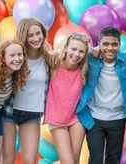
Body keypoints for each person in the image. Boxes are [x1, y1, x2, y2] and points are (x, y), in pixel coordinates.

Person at [76, 26, 126, 164]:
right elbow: (71, 50)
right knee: (96, 159)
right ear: (99, 44)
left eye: (114, 44)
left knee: (113, 159)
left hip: (118, 118)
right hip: (94, 118)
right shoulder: (91, 58)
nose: (110, 48)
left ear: (120, 45)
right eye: (106, 44)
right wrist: (91, 50)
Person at [1, 18, 53, 164]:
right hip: (9, 112)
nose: (36, 38)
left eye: (38, 33)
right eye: (30, 35)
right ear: (24, 36)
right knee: (7, 159)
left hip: (32, 114)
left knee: (30, 161)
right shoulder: (17, 56)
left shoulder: (48, 58)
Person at [44, 32, 90, 164]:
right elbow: (38, 53)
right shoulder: (54, 64)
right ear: (66, 48)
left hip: (76, 118)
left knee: (75, 160)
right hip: (57, 119)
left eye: (81, 51)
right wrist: (54, 52)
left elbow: (97, 51)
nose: (76, 54)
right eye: (73, 49)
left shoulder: (83, 69)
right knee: (68, 161)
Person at [0, 40, 29, 164]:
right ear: (2, 58)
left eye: (19, 54)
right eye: (12, 55)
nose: (17, 58)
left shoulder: (14, 75)